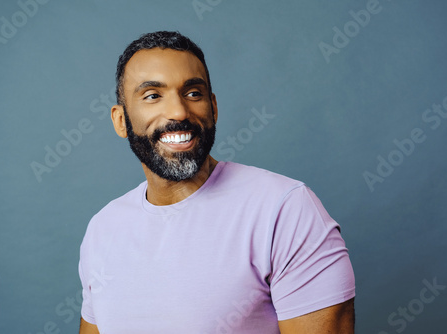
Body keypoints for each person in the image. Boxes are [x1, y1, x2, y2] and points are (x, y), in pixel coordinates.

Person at [78, 31, 355, 334]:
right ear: (121, 121)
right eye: (153, 95)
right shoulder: (103, 229)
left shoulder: (285, 210)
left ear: (214, 108)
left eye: (193, 93)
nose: (178, 112)